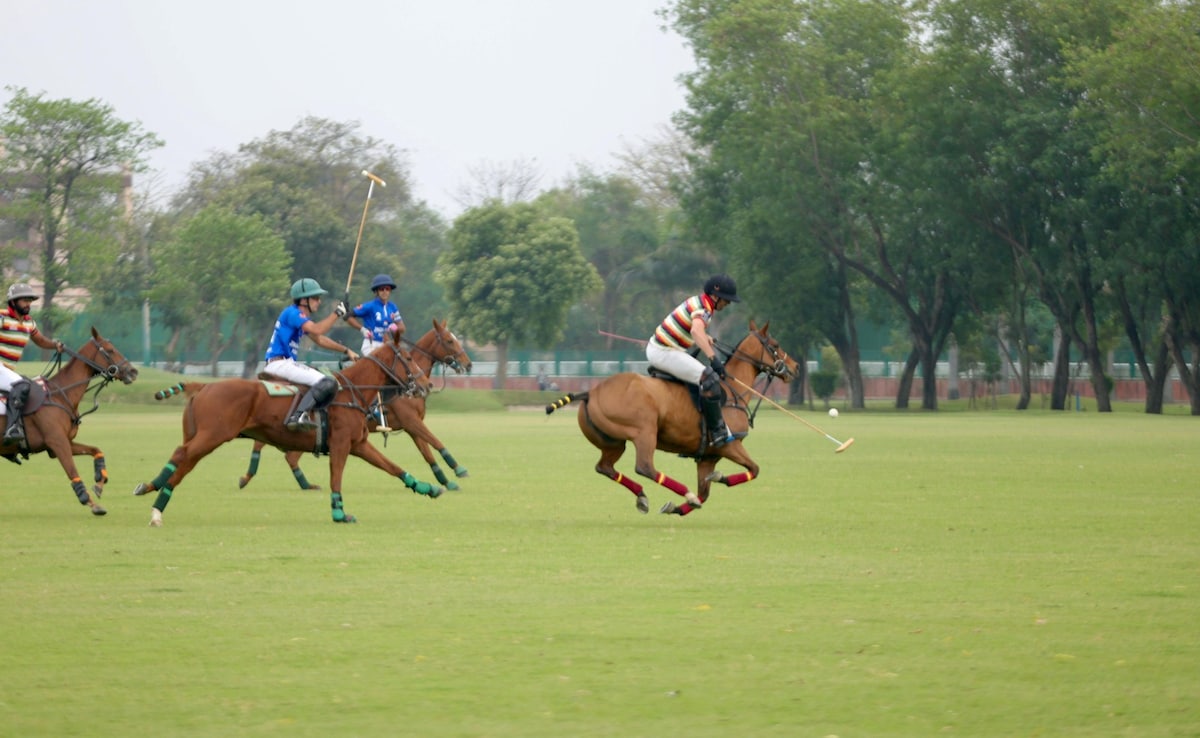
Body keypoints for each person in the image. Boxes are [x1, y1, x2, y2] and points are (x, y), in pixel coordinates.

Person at [645, 274, 740, 448]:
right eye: (726, 300)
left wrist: (706, 336)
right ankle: (718, 431)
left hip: (664, 349)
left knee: (699, 380)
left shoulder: (700, 302)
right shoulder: (704, 309)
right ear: (715, 296)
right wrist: (713, 359)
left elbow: (695, 329)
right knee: (709, 378)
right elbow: (696, 332)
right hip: (665, 352)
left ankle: (694, 428)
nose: (728, 304)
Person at [264, 278, 359, 431]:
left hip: (282, 364)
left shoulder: (299, 319)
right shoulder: (293, 313)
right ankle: (298, 416)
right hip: (280, 364)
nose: (319, 302)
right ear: (303, 300)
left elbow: (320, 339)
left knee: (324, 380)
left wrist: (346, 350)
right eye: (315, 298)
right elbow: (317, 330)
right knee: (327, 383)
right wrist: (337, 313)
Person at [1, 283, 65, 442]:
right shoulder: (2, 317)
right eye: (24, 300)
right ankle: (12, 429)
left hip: (7, 371)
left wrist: (54, 345)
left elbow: (41, 340)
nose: (28, 304)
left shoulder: (29, 323)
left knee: (24, 389)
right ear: (13, 302)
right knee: (23, 385)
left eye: (30, 300)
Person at [343, 273, 405, 356]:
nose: (385, 292)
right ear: (376, 291)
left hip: (387, 344)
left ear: (390, 290)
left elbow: (402, 328)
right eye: (382, 289)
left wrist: (394, 328)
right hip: (371, 344)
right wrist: (362, 329)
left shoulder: (393, 307)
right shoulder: (369, 306)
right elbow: (347, 317)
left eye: (387, 289)